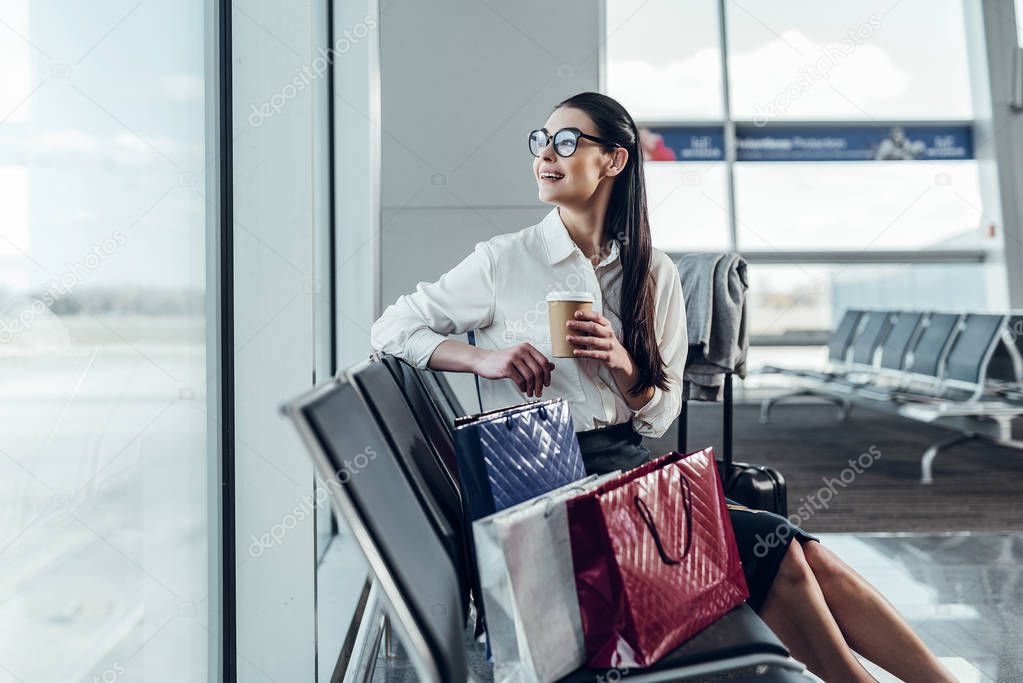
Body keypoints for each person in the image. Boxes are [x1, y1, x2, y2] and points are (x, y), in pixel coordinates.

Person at [371, 91, 955, 683]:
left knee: (799, 553)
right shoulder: (504, 261)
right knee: (782, 551)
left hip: (627, 478)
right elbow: (392, 327)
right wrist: (484, 358)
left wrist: (627, 369)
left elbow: (659, 416)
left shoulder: (654, 273)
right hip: (547, 505)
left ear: (614, 161)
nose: (546, 154)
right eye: (541, 141)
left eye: (567, 141)